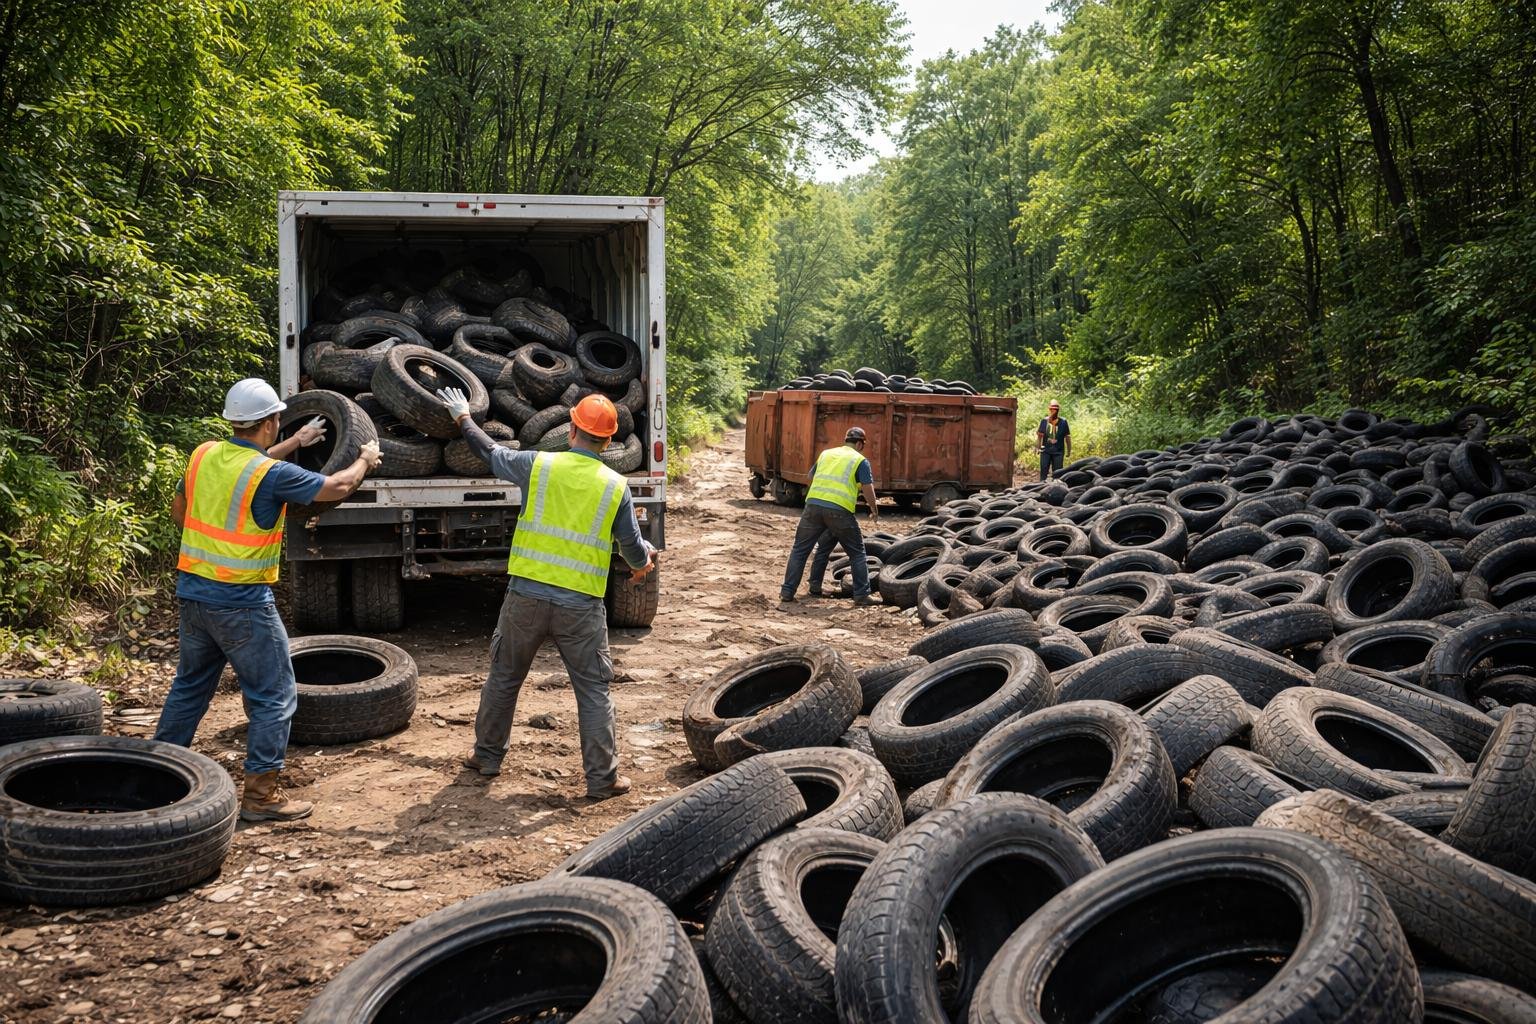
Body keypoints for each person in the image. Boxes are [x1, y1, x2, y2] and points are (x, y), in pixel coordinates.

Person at [155, 378, 382, 822]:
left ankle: (155, 774)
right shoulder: (271, 475)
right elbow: (335, 487)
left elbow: (181, 512)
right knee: (274, 695)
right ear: (271, 422)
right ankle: (261, 797)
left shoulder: (204, 454)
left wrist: (296, 442)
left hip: (193, 592)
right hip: (241, 600)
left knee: (190, 688)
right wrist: (364, 461)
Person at [436, 387, 656, 800]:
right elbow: (630, 549)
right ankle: (602, 778)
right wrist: (645, 558)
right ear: (609, 441)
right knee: (592, 690)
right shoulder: (615, 485)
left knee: (504, 677)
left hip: (526, 598)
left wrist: (464, 417)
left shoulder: (539, 466)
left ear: (571, 429)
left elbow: (489, 453)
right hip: (581, 607)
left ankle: (486, 758)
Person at [779, 427, 880, 605]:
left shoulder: (826, 454)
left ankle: (790, 591)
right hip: (840, 511)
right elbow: (867, 488)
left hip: (813, 506)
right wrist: (874, 508)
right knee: (857, 553)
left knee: (802, 550)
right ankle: (862, 595)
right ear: (859, 443)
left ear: (846, 440)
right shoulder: (860, 460)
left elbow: (810, 476)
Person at [1037, 400, 1071, 481]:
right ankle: (1041, 487)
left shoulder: (1063, 422)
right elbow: (1039, 436)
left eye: (1055, 409)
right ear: (1049, 409)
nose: (1054, 411)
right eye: (1052, 409)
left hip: (1058, 452)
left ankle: (1057, 488)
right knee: (1043, 471)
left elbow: (1067, 437)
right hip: (1045, 451)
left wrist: (1069, 450)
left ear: (1058, 410)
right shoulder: (1044, 421)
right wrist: (1038, 447)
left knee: (1057, 473)